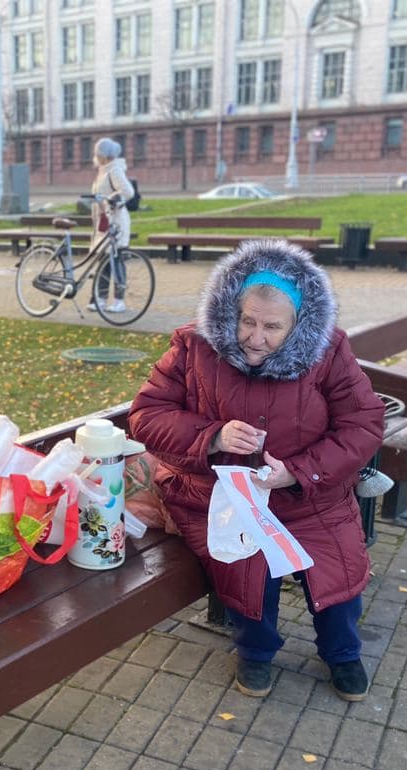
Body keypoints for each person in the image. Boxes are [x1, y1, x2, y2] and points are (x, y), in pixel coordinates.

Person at [128, 239, 385, 702]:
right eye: (247, 321)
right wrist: (213, 437)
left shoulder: (329, 352)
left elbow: (363, 423)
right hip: (216, 494)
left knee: (337, 562)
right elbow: (147, 414)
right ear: (232, 309)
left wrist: (301, 472)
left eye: (272, 327)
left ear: (298, 325)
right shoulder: (194, 345)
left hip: (308, 494)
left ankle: (343, 653)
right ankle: (255, 652)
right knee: (246, 565)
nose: (255, 338)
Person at [90, 137, 134, 313]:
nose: (95, 156)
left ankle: (119, 301)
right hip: (104, 222)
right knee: (104, 262)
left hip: (116, 223)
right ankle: (100, 299)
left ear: (103, 155)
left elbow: (128, 192)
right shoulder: (103, 170)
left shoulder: (114, 170)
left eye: (97, 153)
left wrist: (111, 200)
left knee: (116, 262)